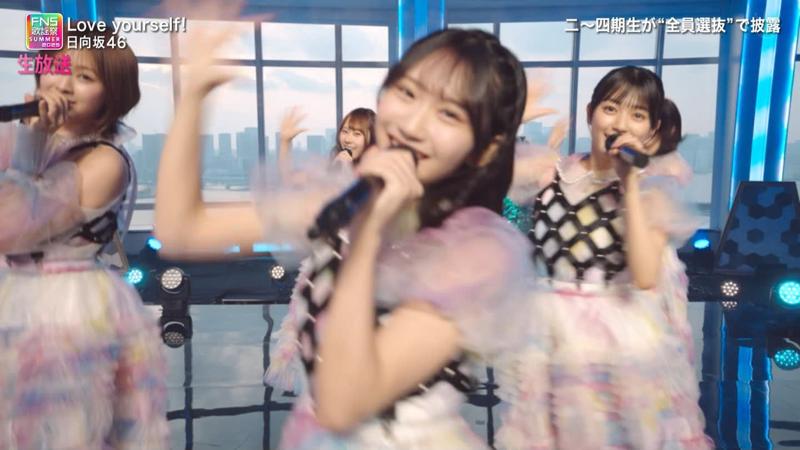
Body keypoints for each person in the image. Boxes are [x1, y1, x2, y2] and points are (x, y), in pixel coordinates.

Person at [155, 27, 533, 448]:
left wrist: (367, 229)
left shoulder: (478, 251)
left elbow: (342, 404)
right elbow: (181, 230)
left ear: (485, 149)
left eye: (449, 114)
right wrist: (194, 95)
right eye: (407, 93)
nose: (412, 124)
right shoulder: (340, 195)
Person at [496, 65, 711, 449]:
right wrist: (507, 122)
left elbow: (645, 276)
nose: (621, 123)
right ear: (590, 113)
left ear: (652, 129)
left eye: (637, 115)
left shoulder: (651, 192)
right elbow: (477, 179)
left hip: (614, 344)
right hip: (546, 337)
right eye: (611, 109)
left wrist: (629, 184)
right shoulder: (547, 172)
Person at [0, 26, 167, 449]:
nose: (63, 85)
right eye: (56, 67)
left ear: (112, 96)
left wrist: (29, 142)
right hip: (13, 294)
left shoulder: (106, 162)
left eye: (84, 77)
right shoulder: (24, 139)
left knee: (68, 429)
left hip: (69, 308)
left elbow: (9, 226)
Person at [277, 107, 376, 183]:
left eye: (357, 134)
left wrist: (347, 173)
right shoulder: (330, 166)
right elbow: (289, 180)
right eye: (345, 131)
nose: (347, 139)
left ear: (373, 138)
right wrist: (285, 142)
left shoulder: (377, 173)